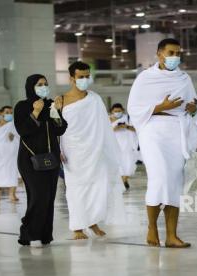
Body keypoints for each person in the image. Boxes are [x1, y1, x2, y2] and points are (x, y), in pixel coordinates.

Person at [128, 38, 197, 248]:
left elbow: (195, 105)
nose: (175, 57)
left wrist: (193, 110)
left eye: (178, 53)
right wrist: (161, 106)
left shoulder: (184, 78)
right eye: (171, 52)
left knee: (174, 183)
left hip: (176, 132)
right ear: (159, 53)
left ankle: (172, 235)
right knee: (159, 178)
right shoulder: (145, 78)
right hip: (153, 131)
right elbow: (134, 109)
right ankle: (152, 228)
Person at [60, 61, 126, 240]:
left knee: (98, 187)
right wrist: (57, 150)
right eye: (80, 77)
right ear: (71, 78)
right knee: (76, 188)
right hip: (72, 151)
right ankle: (77, 228)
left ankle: (93, 221)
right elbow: (54, 128)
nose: (84, 79)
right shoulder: (61, 101)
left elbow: (103, 126)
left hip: (95, 150)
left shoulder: (95, 98)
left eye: (87, 76)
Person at [15, 74, 68, 247]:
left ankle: (44, 235)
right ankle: (31, 234)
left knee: (48, 197)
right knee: (37, 196)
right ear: (31, 86)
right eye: (39, 84)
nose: (44, 86)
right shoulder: (22, 106)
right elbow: (23, 130)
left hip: (51, 159)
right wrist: (35, 112)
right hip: (29, 159)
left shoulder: (50, 105)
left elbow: (60, 130)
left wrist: (57, 111)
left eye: (45, 84)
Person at [109, 103, 138, 190]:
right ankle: (122, 181)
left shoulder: (129, 118)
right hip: (115, 146)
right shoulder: (107, 119)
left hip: (128, 146)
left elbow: (137, 129)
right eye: (115, 111)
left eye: (119, 111)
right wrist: (115, 128)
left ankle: (124, 180)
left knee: (128, 164)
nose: (117, 113)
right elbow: (105, 132)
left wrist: (127, 127)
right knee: (118, 165)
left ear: (123, 110)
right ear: (112, 111)